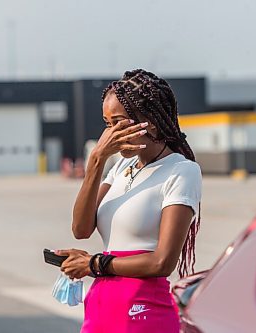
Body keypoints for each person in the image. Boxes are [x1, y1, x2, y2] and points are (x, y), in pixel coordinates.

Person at [55, 69, 202, 333]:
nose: (110, 134)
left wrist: (93, 264)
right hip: (101, 309)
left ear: (151, 122)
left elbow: (162, 263)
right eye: (107, 124)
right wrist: (97, 160)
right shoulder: (121, 167)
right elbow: (80, 229)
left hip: (143, 313)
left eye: (119, 123)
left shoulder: (182, 171)